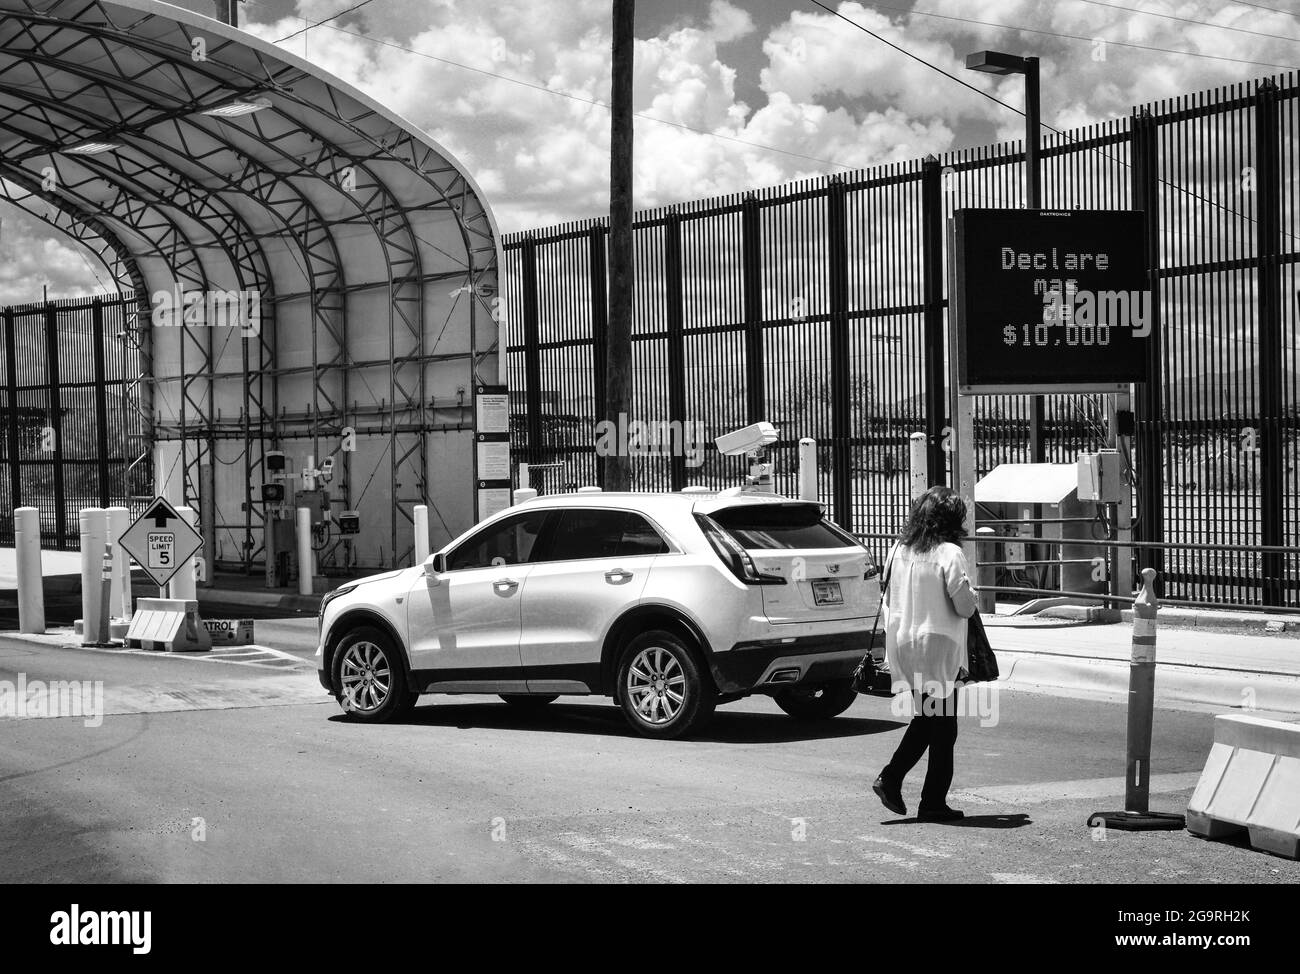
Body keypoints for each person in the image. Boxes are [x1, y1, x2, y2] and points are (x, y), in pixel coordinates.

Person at [872, 486, 978, 822]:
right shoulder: (949, 553)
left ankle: (922, 795)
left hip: (905, 643)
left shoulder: (898, 550)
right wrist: (973, 595)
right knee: (939, 723)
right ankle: (902, 782)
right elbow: (964, 606)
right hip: (939, 647)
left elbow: (887, 597)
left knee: (934, 721)